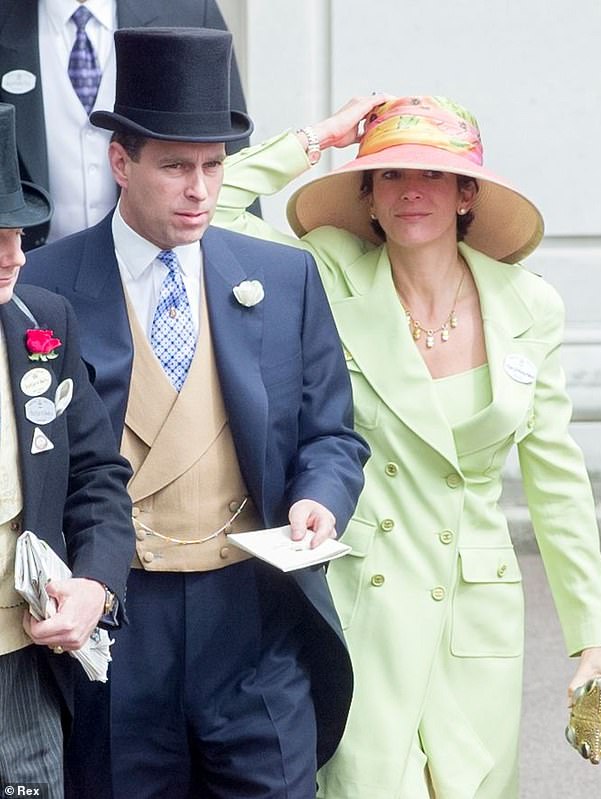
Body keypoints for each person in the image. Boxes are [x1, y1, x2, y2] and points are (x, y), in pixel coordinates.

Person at [213, 94, 601, 798]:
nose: (411, 192)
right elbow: (209, 209)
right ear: (366, 198)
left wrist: (594, 636)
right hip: (366, 600)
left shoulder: (529, 304)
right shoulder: (326, 271)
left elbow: (557, 481)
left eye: (432, 176)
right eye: (390, 176)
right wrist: (318, 137)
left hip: (478, 611)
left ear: (467, 196)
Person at [23, 27, 369, 799]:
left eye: (214, 166)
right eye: (176, 166)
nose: (200, 190)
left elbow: (332, 435)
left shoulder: (285, 278)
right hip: (114, 621)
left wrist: (321, 496)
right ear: (121, 162)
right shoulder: (43, 284)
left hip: (255, 620)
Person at [0, 102, 134, 799]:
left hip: (24, 660)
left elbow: (96, 474)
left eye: (18, 233)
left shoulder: (42, 321)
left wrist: (94, 585)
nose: (15, 257)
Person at [0, 0, 253, 250]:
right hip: (25, 269)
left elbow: (232, 151)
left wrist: (244, 274)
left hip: (155, 265)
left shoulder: (189, 9)